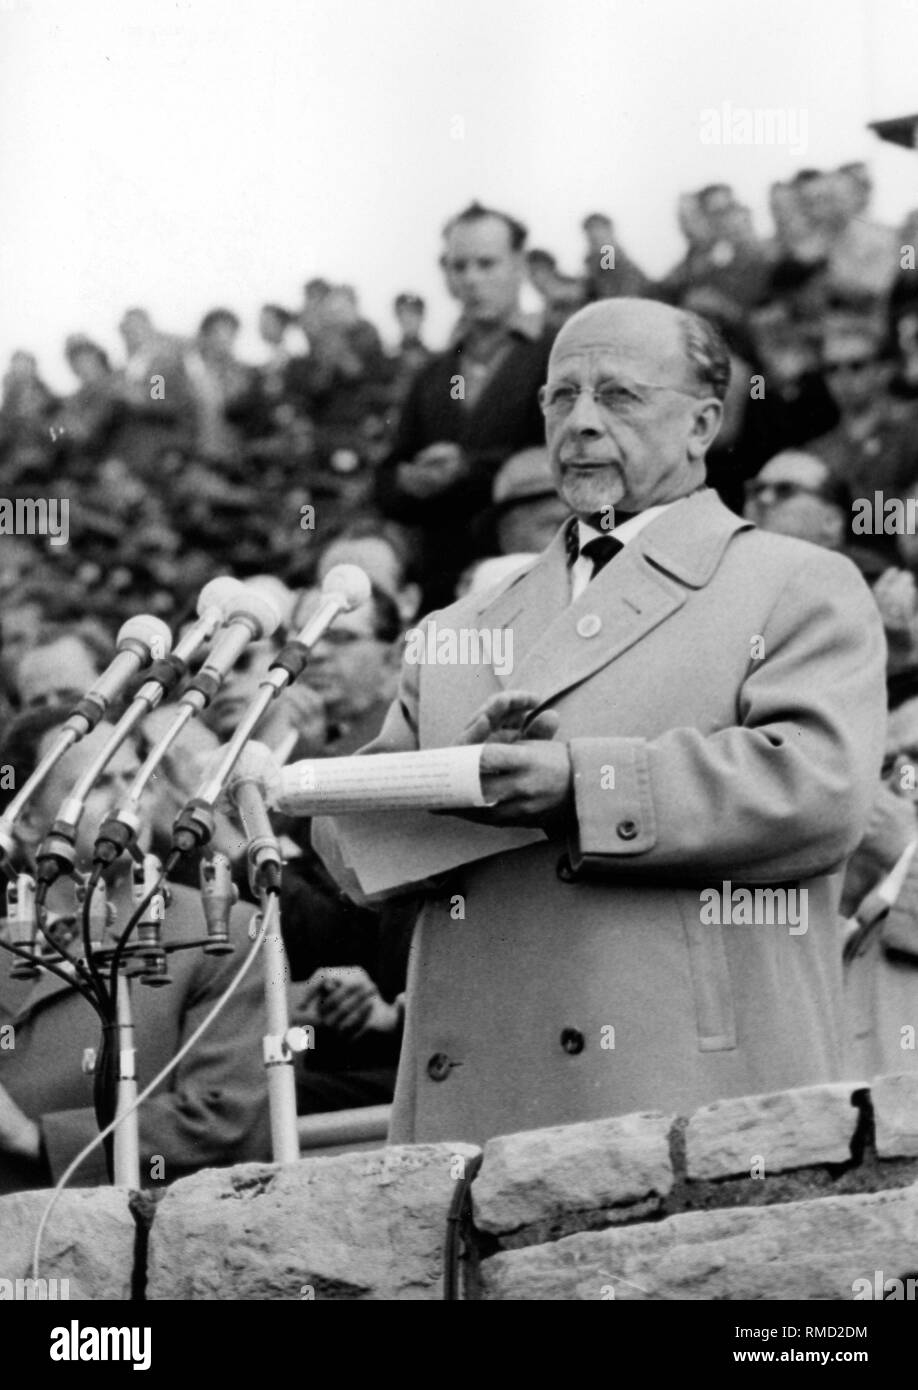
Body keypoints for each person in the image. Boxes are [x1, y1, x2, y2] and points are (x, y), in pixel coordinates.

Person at [315, 297, 886, 1146]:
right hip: (473, 1122)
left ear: (703, 424)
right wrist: (453, 787)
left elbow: (818, 790)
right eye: (560, 397)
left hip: (688, 1103)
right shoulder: (455, 627)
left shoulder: (796, 583)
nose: (579, 424)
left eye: (618, 396)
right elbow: (349, 840)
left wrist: (583, 784)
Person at [0, 706, 271, 1192]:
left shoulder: (222, 930)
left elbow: (225, 1119)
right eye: (100, 783)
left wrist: (33, 1139)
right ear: (25, 821)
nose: (130, 800)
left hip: (145, 1238)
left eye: (137, 777)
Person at [375, 201, 553, 608]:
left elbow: (560, 463)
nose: (471, 279)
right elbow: (386, 477)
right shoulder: (433, 374)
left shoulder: (558, 354)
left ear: (520, 265)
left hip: (529, 588)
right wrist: (408, 480)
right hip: (443, 595)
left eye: (486, 264)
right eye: (459, 267)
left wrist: (465, 471)